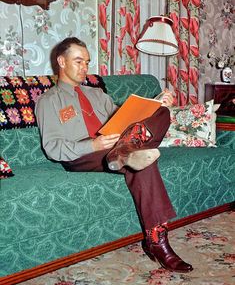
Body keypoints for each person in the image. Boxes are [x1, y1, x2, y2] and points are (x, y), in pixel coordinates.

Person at [35, 37, 193, 273]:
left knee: (161, 114)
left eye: (87, 62)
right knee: (141, 157)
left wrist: (155, 104)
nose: (84, 68)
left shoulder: (97, 94)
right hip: (84, 153)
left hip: (117, 144)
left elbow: (127, 119)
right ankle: (157, 242)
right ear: (61, 61)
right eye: (78, 61)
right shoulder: (48, 101)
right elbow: (53, 147)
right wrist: (94, 144)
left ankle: (126, 150)